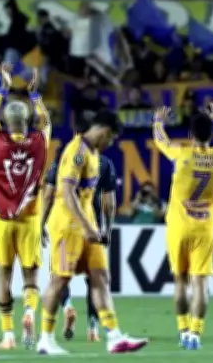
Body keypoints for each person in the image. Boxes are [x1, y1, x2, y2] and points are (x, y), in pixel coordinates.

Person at [36, 109, 146, 356]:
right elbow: (66, 192)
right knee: (60, 279)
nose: (111, 143)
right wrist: (87, 227)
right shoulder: (76, 152)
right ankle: (45, 339)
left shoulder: (93, 153)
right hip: (68, 226)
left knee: (100, 276)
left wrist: (97, 227)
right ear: (104, 131)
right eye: (111, 138)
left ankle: (114, 337)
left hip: (86, 226)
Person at [154, 104, 213, 350]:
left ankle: (182, 328)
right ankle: (195, 334)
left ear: (190, 135)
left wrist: (158, 122)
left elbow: (160, 141)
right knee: (200, 284)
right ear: (210, 135)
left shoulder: (182, 154)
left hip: (178, 226)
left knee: (180, 282)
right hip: (204, 228)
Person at [0, 63, 51, 350]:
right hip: (31, 218)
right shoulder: (38, 142)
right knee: (30, 276)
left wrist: (3, 89)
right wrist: (35, 96)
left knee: (3, 275)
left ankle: (8, 335)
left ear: (7, 124)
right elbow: (46, 123)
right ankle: (28, 312)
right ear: (26, 122)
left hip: (2, 218)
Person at [42, 154, 118, 343]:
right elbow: (109, 202)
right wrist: (107, 229)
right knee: (95, 278)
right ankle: (93, 328)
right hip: (92, 224)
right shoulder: (105, 163)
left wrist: (41, 224)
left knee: (59, 276)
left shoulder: (62, 159)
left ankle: (66, 307)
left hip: (65, 224)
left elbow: (48, 194)